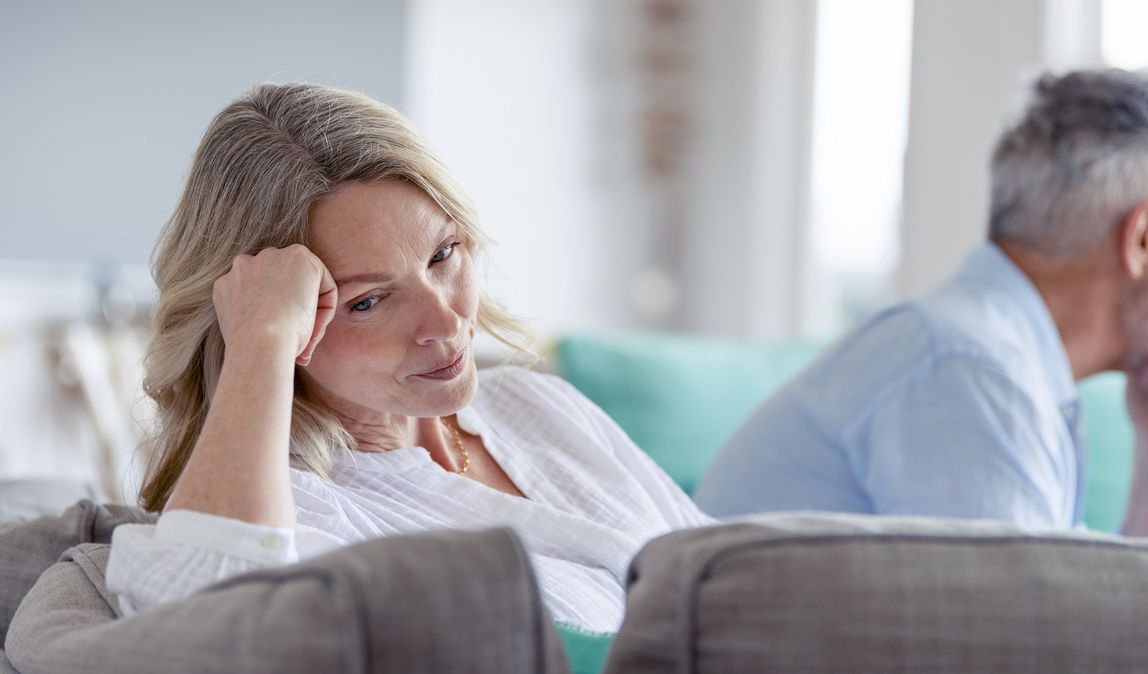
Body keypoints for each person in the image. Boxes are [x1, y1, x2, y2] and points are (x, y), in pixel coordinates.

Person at [104, 83, 710, 634]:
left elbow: (726, 574)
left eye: (443, 255)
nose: (446, 324)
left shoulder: (538, 405)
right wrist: (258, 343)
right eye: (368, 301)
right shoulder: (299, 506)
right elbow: (194, 626)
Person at [696, 69, 1148, 539]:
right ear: (1144, 240)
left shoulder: (987, 349)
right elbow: (1037, 643)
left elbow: (1096, 620)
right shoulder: (972, 367)